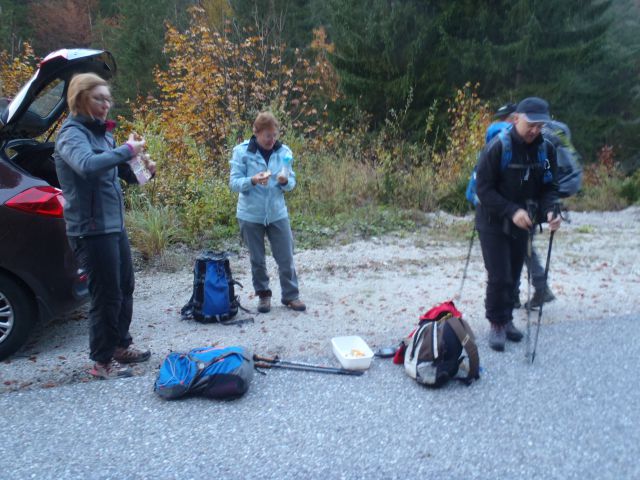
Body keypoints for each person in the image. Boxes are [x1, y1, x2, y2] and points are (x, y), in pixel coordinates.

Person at [54, 73, 155, 379]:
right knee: (106, 294)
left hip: (113, 225)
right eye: (99, 98)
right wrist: (126, 149)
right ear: (80, 98)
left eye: (109, 99)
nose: (106, 104)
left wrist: (145, 170)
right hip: (90, 229)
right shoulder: (71, 135)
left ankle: (120, 346)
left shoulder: (103, 134)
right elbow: (87, 165)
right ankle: (101, 361)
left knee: (125, 287)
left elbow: (120, 174)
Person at [475, 97, 562, 351]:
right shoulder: (498, 147)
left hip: (524, 221)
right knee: (499, 275)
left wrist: (551, 211)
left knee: (513, 274)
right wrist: (511, 210)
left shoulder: (546, 151)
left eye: (540, 125)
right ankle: (497, 324)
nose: (535, 130)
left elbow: (549, 184)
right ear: (516, 119)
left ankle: (508, 320)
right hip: (492, 219)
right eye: (530, 124)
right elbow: (484, 189)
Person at [229, 111, 306, 313]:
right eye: (267, 136)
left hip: (277, 213)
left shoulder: (284, 152)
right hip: (250, 214)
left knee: (286, 256)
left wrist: (285, 181)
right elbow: (234, 182)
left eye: (274, 135)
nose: (272, 140)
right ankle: (264, 296)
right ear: (256, 132)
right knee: (257, 259)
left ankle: (291, 296)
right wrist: (252, 180)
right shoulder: (241, 152)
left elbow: (292, 183)